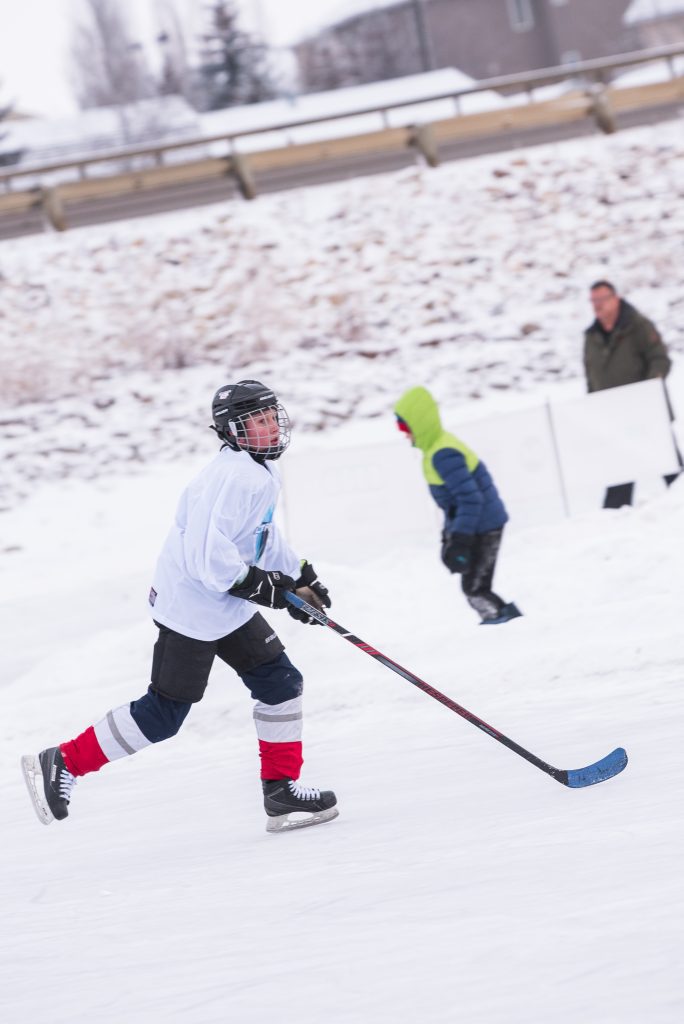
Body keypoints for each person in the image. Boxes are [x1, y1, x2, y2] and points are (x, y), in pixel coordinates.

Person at [21, 380, 338, 834]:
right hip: (191, 607)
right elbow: (208, 557)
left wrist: (299, 575)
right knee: (164, 714)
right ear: (233, 430)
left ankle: (280, 792)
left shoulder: (262, 470)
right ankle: (63, 761)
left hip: (226, 603)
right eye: (258, 421)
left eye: (272, 418)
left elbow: (259, 537)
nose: (270, 428)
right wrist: (265, 588)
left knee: (281, 683)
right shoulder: (232, 478)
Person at [394, 385, 521, 625]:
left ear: (418, 424)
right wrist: (449, 536)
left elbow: (470, 499)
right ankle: (508, 625)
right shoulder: (435, 450)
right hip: (479, 523)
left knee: (475, 588)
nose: (405, 435)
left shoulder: (444, 453)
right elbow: (453, 504)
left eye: (406, 428)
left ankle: (509, 628)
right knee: (475, 587)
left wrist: (460, 539)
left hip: (485, 525)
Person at [584, 279, 681, 508]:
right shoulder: (591, 336)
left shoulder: (638, 326)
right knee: (619, 469)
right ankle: (613, 516)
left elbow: (660, 358)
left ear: (615, 299)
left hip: (648, 412)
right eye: (593, 301)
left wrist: (650, 389)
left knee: (670, 466)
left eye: (602, 300)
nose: (597, 305)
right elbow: (591, 376)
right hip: (615, 417)